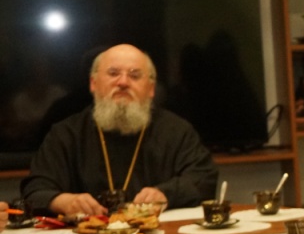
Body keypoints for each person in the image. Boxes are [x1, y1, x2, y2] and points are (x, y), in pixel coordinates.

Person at [20, 44, 218, 216]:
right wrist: (63, 201)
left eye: (134, 75)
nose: (123, 82)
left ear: (151, 88)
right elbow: (35, 190)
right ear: (93, 83)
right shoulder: (66, 134)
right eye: (113, 73)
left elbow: (204, 178)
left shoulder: (176, 131)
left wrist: (165, 194)